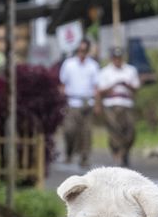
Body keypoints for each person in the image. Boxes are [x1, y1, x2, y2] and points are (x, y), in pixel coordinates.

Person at [95, 45, 141, 166]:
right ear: (111, 58)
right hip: (111, 104)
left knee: (130, 131)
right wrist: (113, 86)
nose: (117, 60)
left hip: (126, 104)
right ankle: (117, 153)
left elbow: (136, 87)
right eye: (115, 58)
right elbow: (99, 90)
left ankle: (124, 152)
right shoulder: (105, 72)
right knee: (115, 130)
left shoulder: (130, 70)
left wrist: (126, 85)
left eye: (119, 58)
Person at [58, 38, 100, 168]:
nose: (82, 53)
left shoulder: (93, 65)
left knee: (86, 132)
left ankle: (84, 157)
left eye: (84, 50)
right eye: (80, 50)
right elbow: (62, 84)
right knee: (70, 130)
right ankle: (69, 152)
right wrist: (61, 100)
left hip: (87, 102)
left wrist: (97, 104)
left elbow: (96, 87)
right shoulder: (69, 64)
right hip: (72, 102)